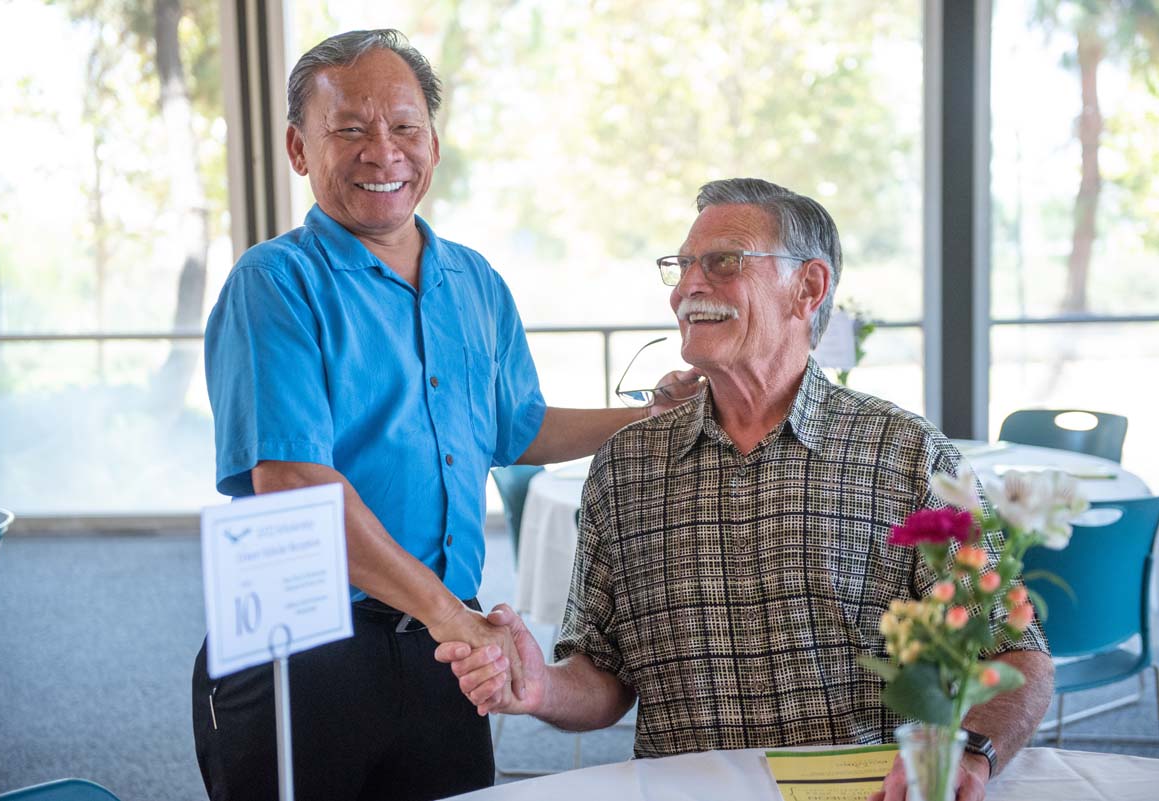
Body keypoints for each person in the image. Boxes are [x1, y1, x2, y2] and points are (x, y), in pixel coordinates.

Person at [438, 178, 1054, 801]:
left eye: (722, 262)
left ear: (807, 288)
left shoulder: (903, 454)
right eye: (681, 267)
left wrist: (970, 752)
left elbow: (1014, 653)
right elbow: (603, 678)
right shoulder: (626, 468)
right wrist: (541, 684)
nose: (687, 288)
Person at [193, 29, 687, 801]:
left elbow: (514, 428)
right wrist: (450, 616)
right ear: (297, 148)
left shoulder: (476, 281)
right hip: (309, 648)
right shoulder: (275, 284)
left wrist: (648, 417)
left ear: (434, 140)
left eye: (404, 126)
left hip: (442, 655)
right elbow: (293, 481)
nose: (382, 151)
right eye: (349, 128)